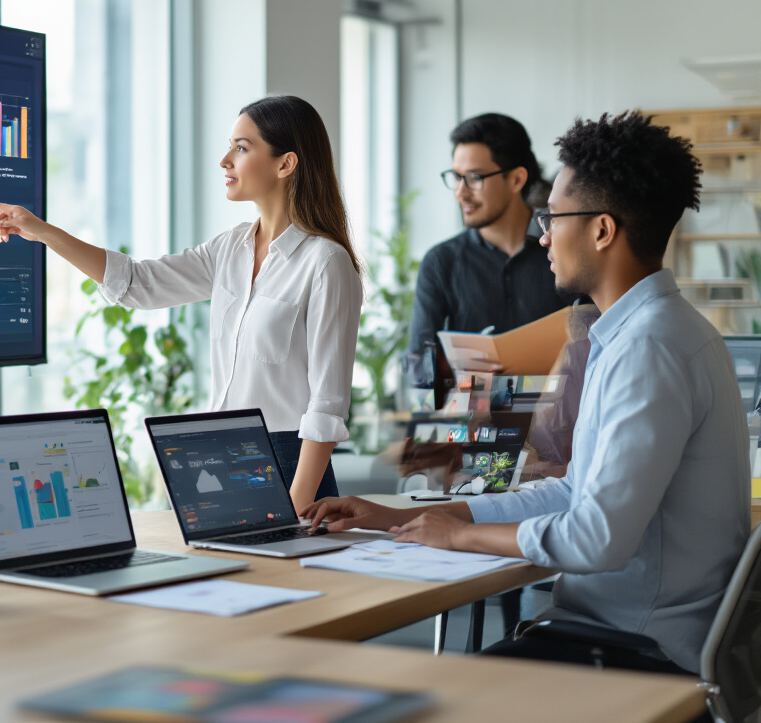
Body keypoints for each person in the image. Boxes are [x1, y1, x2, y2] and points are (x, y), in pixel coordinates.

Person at [304, 111, 750, 676]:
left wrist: (462, 534)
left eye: (554, 216)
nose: (543, 233)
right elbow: (574, 493)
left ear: (602, 230)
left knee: (418, 694)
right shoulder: (657, 332)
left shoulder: (648, 350)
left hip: (635, 649)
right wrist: (399, 518)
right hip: (620, 632)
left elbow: (597, 539)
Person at [0, 96, 363, 512]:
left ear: (285, 163)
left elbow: (326, 406)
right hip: (226, 458)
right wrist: (42, 232)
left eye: (242, 148)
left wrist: (294, 507)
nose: (225, 160)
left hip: (293, 469)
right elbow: (139, 284)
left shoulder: (326, 263)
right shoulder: (229, 248)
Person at [408, 113, 573, 354]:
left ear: (516, 179)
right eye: (456, 177)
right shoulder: (440, 262)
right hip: (471, 391)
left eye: (474, 178)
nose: (460, 193)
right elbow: (417, 361)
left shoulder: (565, 251)